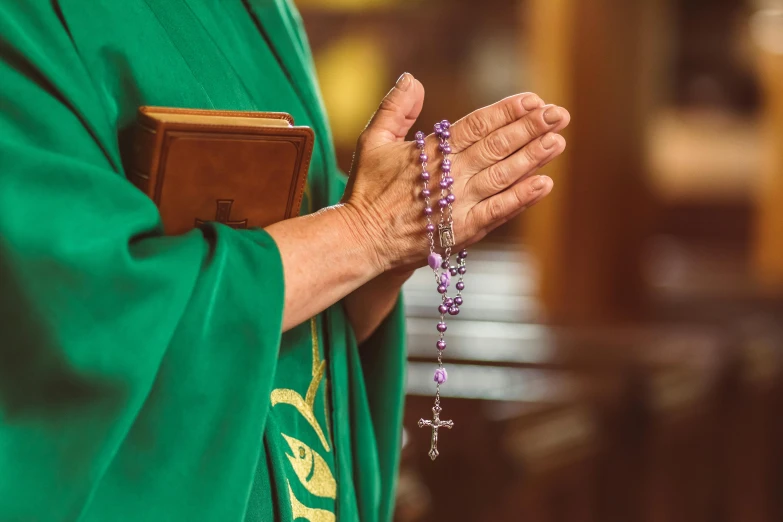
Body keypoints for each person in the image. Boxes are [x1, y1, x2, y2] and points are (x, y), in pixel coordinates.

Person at [0, 1, 570, 520]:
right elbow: (77, 322)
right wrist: (365, 233)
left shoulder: (267, 13)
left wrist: (386, 259)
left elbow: (315, 334)